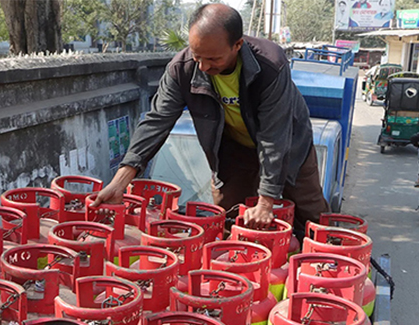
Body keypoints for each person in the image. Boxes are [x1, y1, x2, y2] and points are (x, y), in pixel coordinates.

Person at [91, 3, 327, 235]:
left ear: (237, 45)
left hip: (289, 146)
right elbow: (156, 122)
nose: (203, 66)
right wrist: (121, 181)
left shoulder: (270, 65)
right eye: (197, 56)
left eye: (214, 59)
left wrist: (266, 201)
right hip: (233, 151)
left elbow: (274, 136)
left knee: (310, 215)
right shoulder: (181, 70)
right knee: (229, 218)